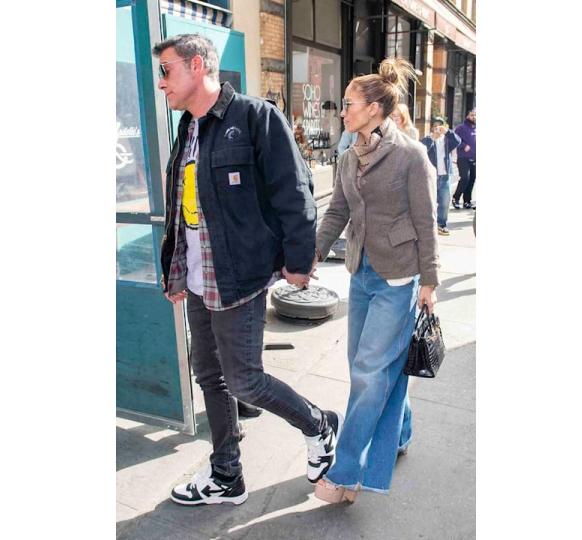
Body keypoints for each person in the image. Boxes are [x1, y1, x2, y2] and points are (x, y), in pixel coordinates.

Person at [153, 34, 342, 507]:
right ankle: (225, 475)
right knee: (210, 377)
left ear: (197, 66)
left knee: (245, 381)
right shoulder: (188, 129)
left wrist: (299, 263)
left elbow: (294, 193)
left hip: (240, 277)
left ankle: (319, 424)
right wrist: (174, 270)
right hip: (198, 279)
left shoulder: (256, 117)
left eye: (167, 70)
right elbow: (183, 207)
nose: (162, 83)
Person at [312, 57, 440, 504]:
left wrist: (430, 279)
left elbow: (426, 221)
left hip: (399, 278)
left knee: (370, 373)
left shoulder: (410, 155)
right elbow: (337, 212)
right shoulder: (349, 156)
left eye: (348, 104)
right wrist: (311, 256)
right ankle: (400, 431)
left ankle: (346, 474)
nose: (342, 110)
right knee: (368, 368)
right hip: (361, 273)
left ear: (373, 109)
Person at [420, 117, 461, 235]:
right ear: (432, 127)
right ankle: (429, 225)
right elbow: (422, 148)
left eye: (440, 125)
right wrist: (433, 138)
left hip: (445, 176)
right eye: (435, 126)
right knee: (430, 202)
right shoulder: (428, 138)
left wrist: (447, 132)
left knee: (444, 201)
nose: (437, 128)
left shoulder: (447, 139)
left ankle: (441, 224)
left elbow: (458, 141)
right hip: (431, 176)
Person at [452, 108, 476, 209]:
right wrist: (463, 145)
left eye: (475, 115)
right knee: (465, 178)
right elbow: (454, 139)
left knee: (472, 179)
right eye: (472, 115)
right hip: (463, 158)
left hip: (475, 158)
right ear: (467, 116)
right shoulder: (460, 128)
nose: (474, 117)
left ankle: (467, 201)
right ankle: (456, 198)